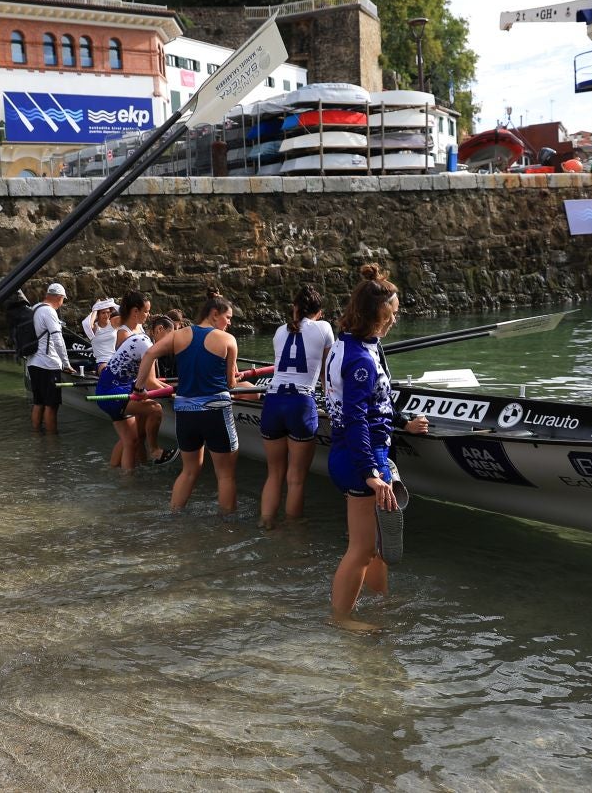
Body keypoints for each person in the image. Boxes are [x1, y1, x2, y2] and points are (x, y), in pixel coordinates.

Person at [326, 264, 426, 630]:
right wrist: (371, 473)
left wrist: (403, 423)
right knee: (362, 548)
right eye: (391, 314)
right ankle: (341, 619)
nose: (394, 321)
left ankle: (380, 601)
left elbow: (378, 406)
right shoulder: (358, 361)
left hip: (368, 452)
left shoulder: (356, 344)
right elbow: (355, 419)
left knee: (379, 544)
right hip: (359, 458)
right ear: (374, 314)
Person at [135, 291, 241, 515]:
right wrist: (234, 377)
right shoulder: (228, 340)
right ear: (214, 314)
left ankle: (174, 514)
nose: (229, 323)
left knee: (190, 470)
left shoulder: (178, 335)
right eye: (228, 317)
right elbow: (231, 383)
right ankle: (228, 528)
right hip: (215, 410)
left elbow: (149, 355)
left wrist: (139, 388)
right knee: (226, 474)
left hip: (185, 411)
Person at [259, 285, 336, 529]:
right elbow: (327, 372)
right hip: (300, 403)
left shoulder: (280, 331)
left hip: (273, 401)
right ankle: (293, 530)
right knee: (296, 479)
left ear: (295, 309)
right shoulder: (324, 328)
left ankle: (266, 522)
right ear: (319, 312)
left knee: (274, 474)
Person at [95, 314, 176, 470]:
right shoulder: (147, 345)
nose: (171, 342)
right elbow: (150, 382)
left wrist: (170, 389)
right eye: (170, 336)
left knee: (130, 441)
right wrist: (174, 394)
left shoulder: (142, 340)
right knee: (155, 409)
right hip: (114, 392)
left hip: (108, 390)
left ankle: (121, 477)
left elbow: (150, 381)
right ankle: (155, 451)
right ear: (159, 329)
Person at [26, 281, 73, 433]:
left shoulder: (34, 309)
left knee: (38, 403)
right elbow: (58, 340)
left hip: (32, 362)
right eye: (62, 300)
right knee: (51, 406)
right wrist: (66, 364)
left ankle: (37, 437)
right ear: (59, 297)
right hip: (48, 364)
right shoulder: (49, 311)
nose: (62, 303)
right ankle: (53, 443)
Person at [81, 297, 119, 372]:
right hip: (101, 362)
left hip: (115, 360)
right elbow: (88, 325)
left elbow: (127, 316)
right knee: (106, 369)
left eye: (108, 312)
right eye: (103, 313)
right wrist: (96, 308)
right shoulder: (94, 327)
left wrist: (111, 304)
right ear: (98, 315)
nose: (106, 315)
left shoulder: (113, 323)